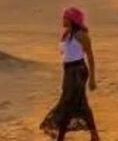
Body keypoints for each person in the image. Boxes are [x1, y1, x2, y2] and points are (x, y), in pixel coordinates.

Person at [40, 7, 101, 141]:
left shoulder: (81, 35)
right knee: (80, 103)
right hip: (68, 71)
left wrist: (92, 78)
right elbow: (65, 53)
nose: (63, 20)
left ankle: (61, 137)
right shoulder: (66, 34)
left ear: (72, 20)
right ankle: (95, 135)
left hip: (78, 71)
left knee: (67, 102)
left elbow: (90, 56)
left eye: (65, 17)